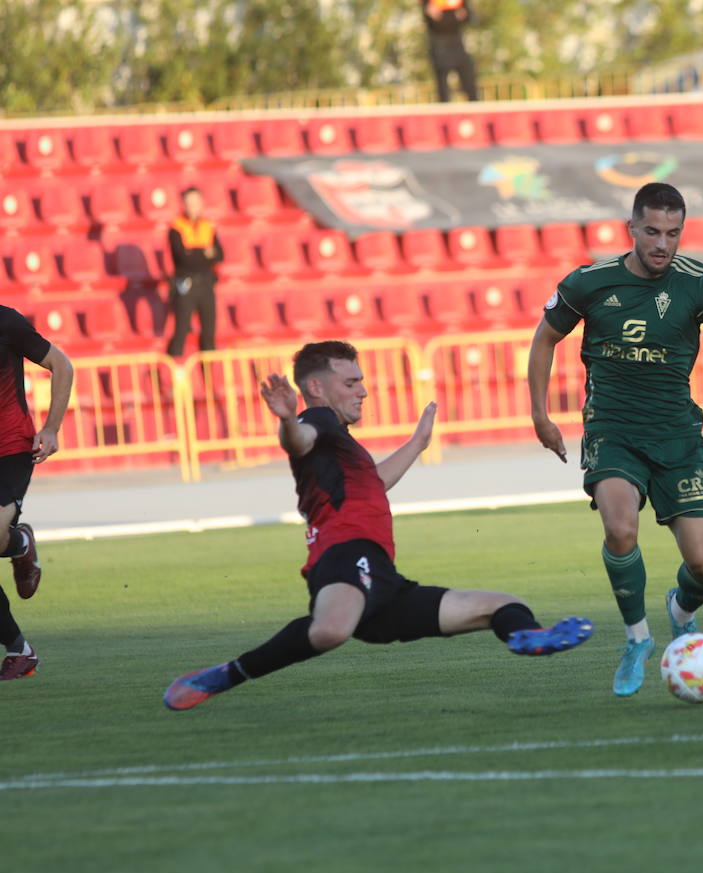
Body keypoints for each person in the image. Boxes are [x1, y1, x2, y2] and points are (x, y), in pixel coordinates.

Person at [163, 340, 592, 710]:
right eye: (351, 383)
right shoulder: (320, 422)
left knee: (502, 605)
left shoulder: (345, 450)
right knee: (330, 630)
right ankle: (225, 675)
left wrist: (417, 444)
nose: (363, 391)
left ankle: (529, 637)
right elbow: (298, 441)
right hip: (347, 557)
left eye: (361, 382)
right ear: (316, 387)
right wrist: (288, 420)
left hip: (381, 581)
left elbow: (375, 484)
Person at [527, 183, 703, 697]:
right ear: (631, 228)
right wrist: (541, 415)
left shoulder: (697, 282)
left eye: (672, 233)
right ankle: (637, 638)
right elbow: (545, 336)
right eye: (652, 231)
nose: (662, 243)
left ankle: (680, 611)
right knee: (620, 528)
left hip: (678, 435)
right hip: (613, 430)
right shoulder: (591, 282)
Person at [0, 305, 73, 681]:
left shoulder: (6, 322)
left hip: (10, 449)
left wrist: (52, 427)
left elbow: (62, 365)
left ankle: (17, 543)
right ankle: (19, 651)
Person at [165, 186, 223, 358]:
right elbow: (182, 258)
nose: (193, 205)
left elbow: (219, 255)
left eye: (196, 201)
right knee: (181, 332)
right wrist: (205, 252)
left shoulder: (207, 226)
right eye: (189, 202)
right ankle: (173, 376)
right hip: (186, 286)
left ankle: (209, 379)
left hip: (206, 285)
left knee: (209, 335)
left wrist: (194, 252)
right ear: (184, 204)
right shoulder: (176, 227)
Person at [422, 0, 479, 102]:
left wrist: (446, 16)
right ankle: (444, 113)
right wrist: (454, 16)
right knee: (443, 88)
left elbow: (468, 16)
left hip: (458, 43)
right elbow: (435, 21)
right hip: (439, 44)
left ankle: (476, 111)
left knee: (469, 80)